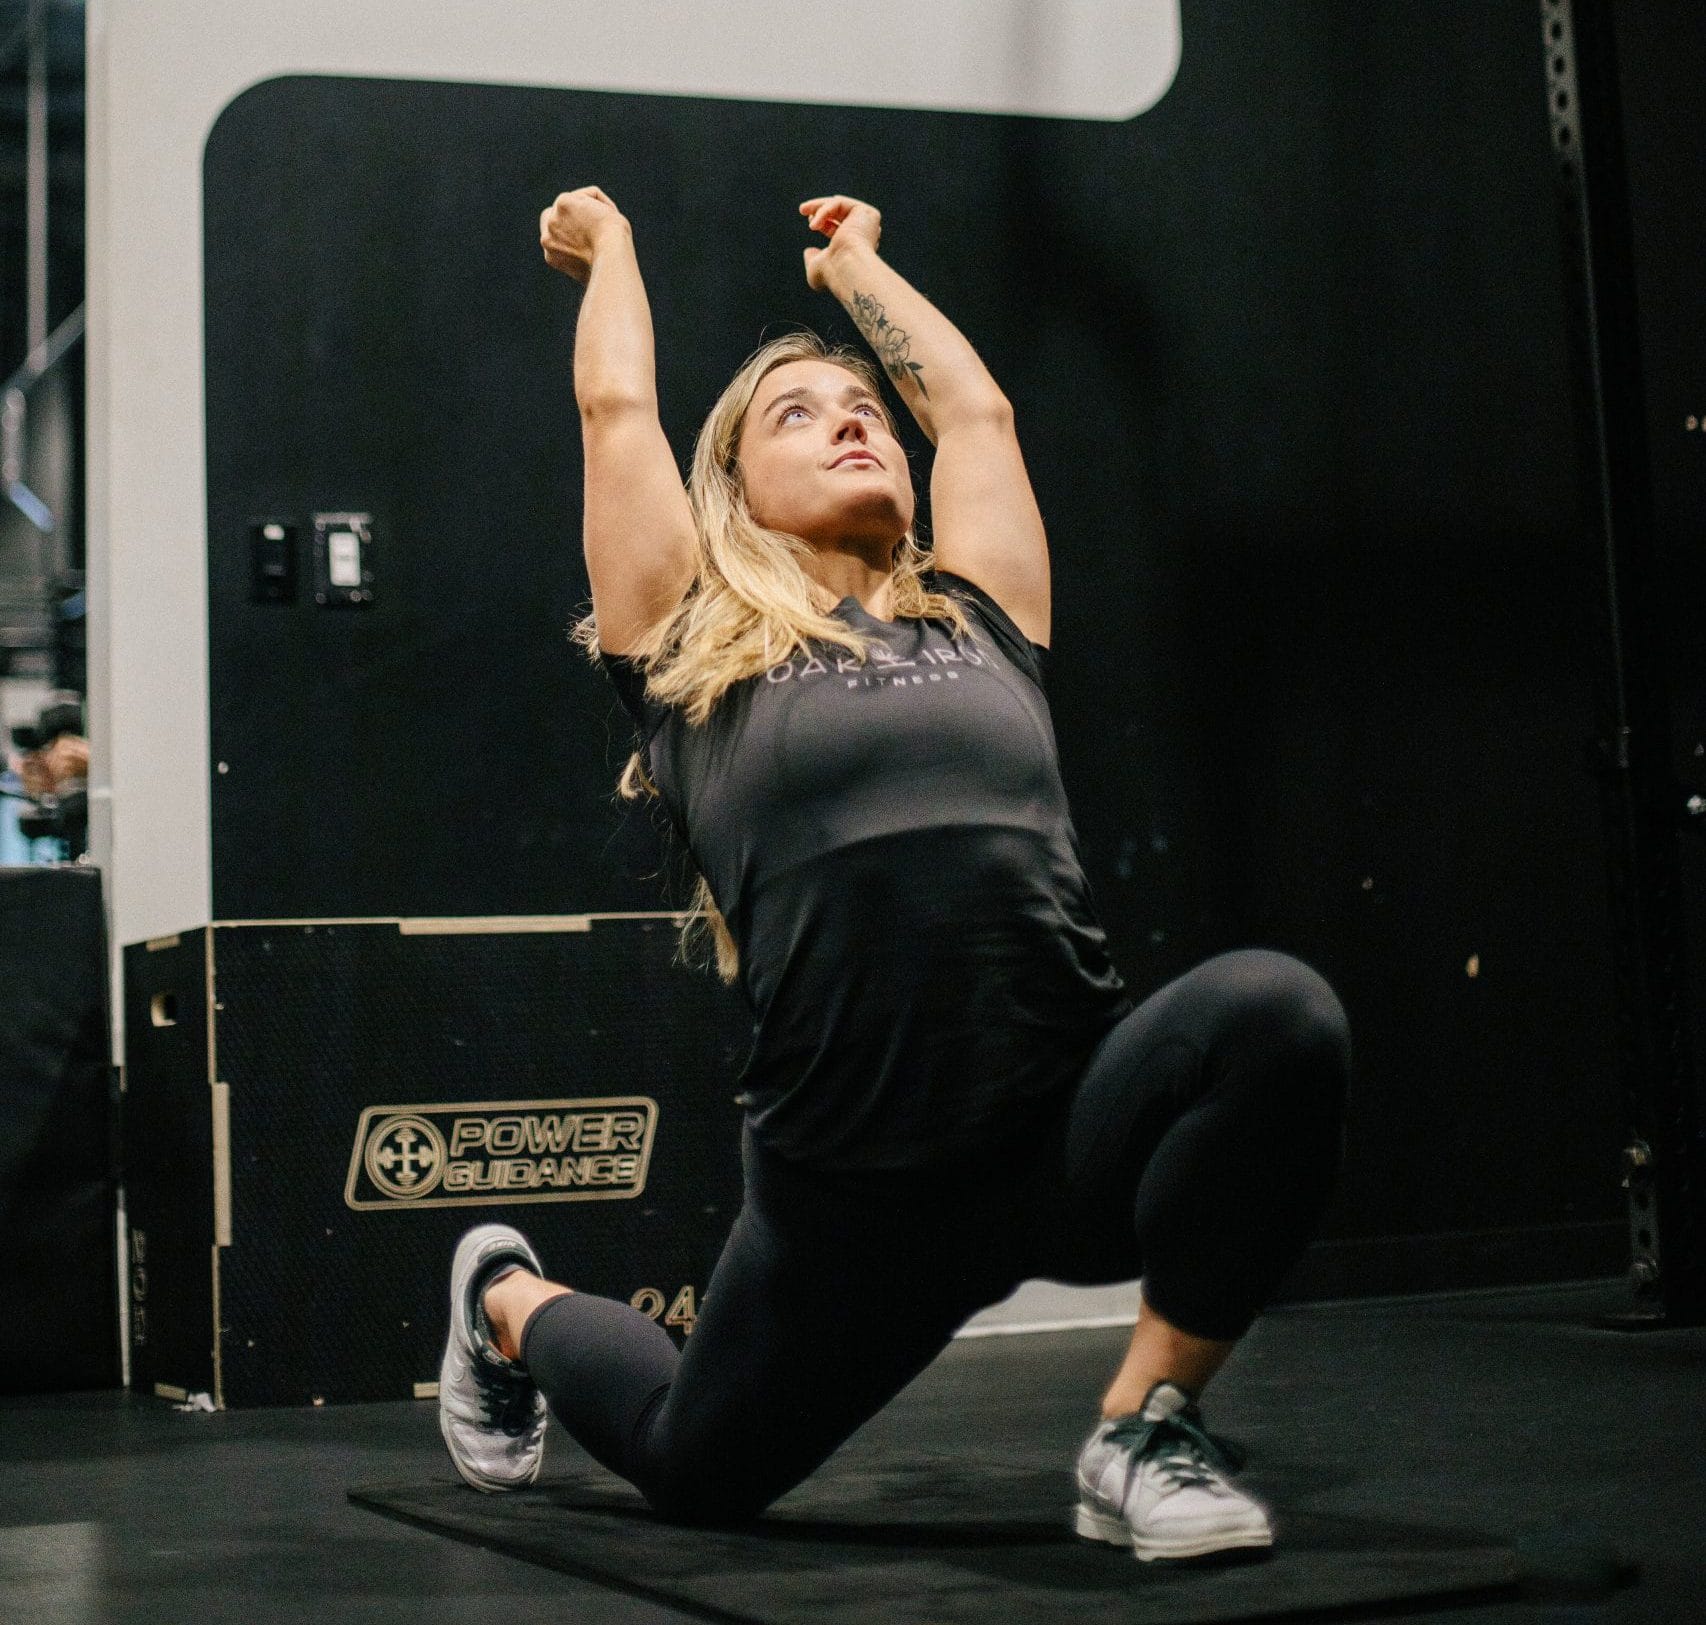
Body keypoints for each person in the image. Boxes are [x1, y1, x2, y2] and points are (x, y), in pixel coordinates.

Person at [436, 186, 1353, 1563]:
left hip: (1058, 1137)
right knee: (696, 1469)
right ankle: (504, 1297)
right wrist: (612, 254)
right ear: (733, 488)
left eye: (859, 404)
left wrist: (857, 270)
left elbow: (975, 416)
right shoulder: (688, 655)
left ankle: (1142, 1425)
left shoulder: (985, 615)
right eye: (792, 414)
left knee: (1275, 1015)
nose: (848, 417)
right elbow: (617, 416)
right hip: (848, 1200)